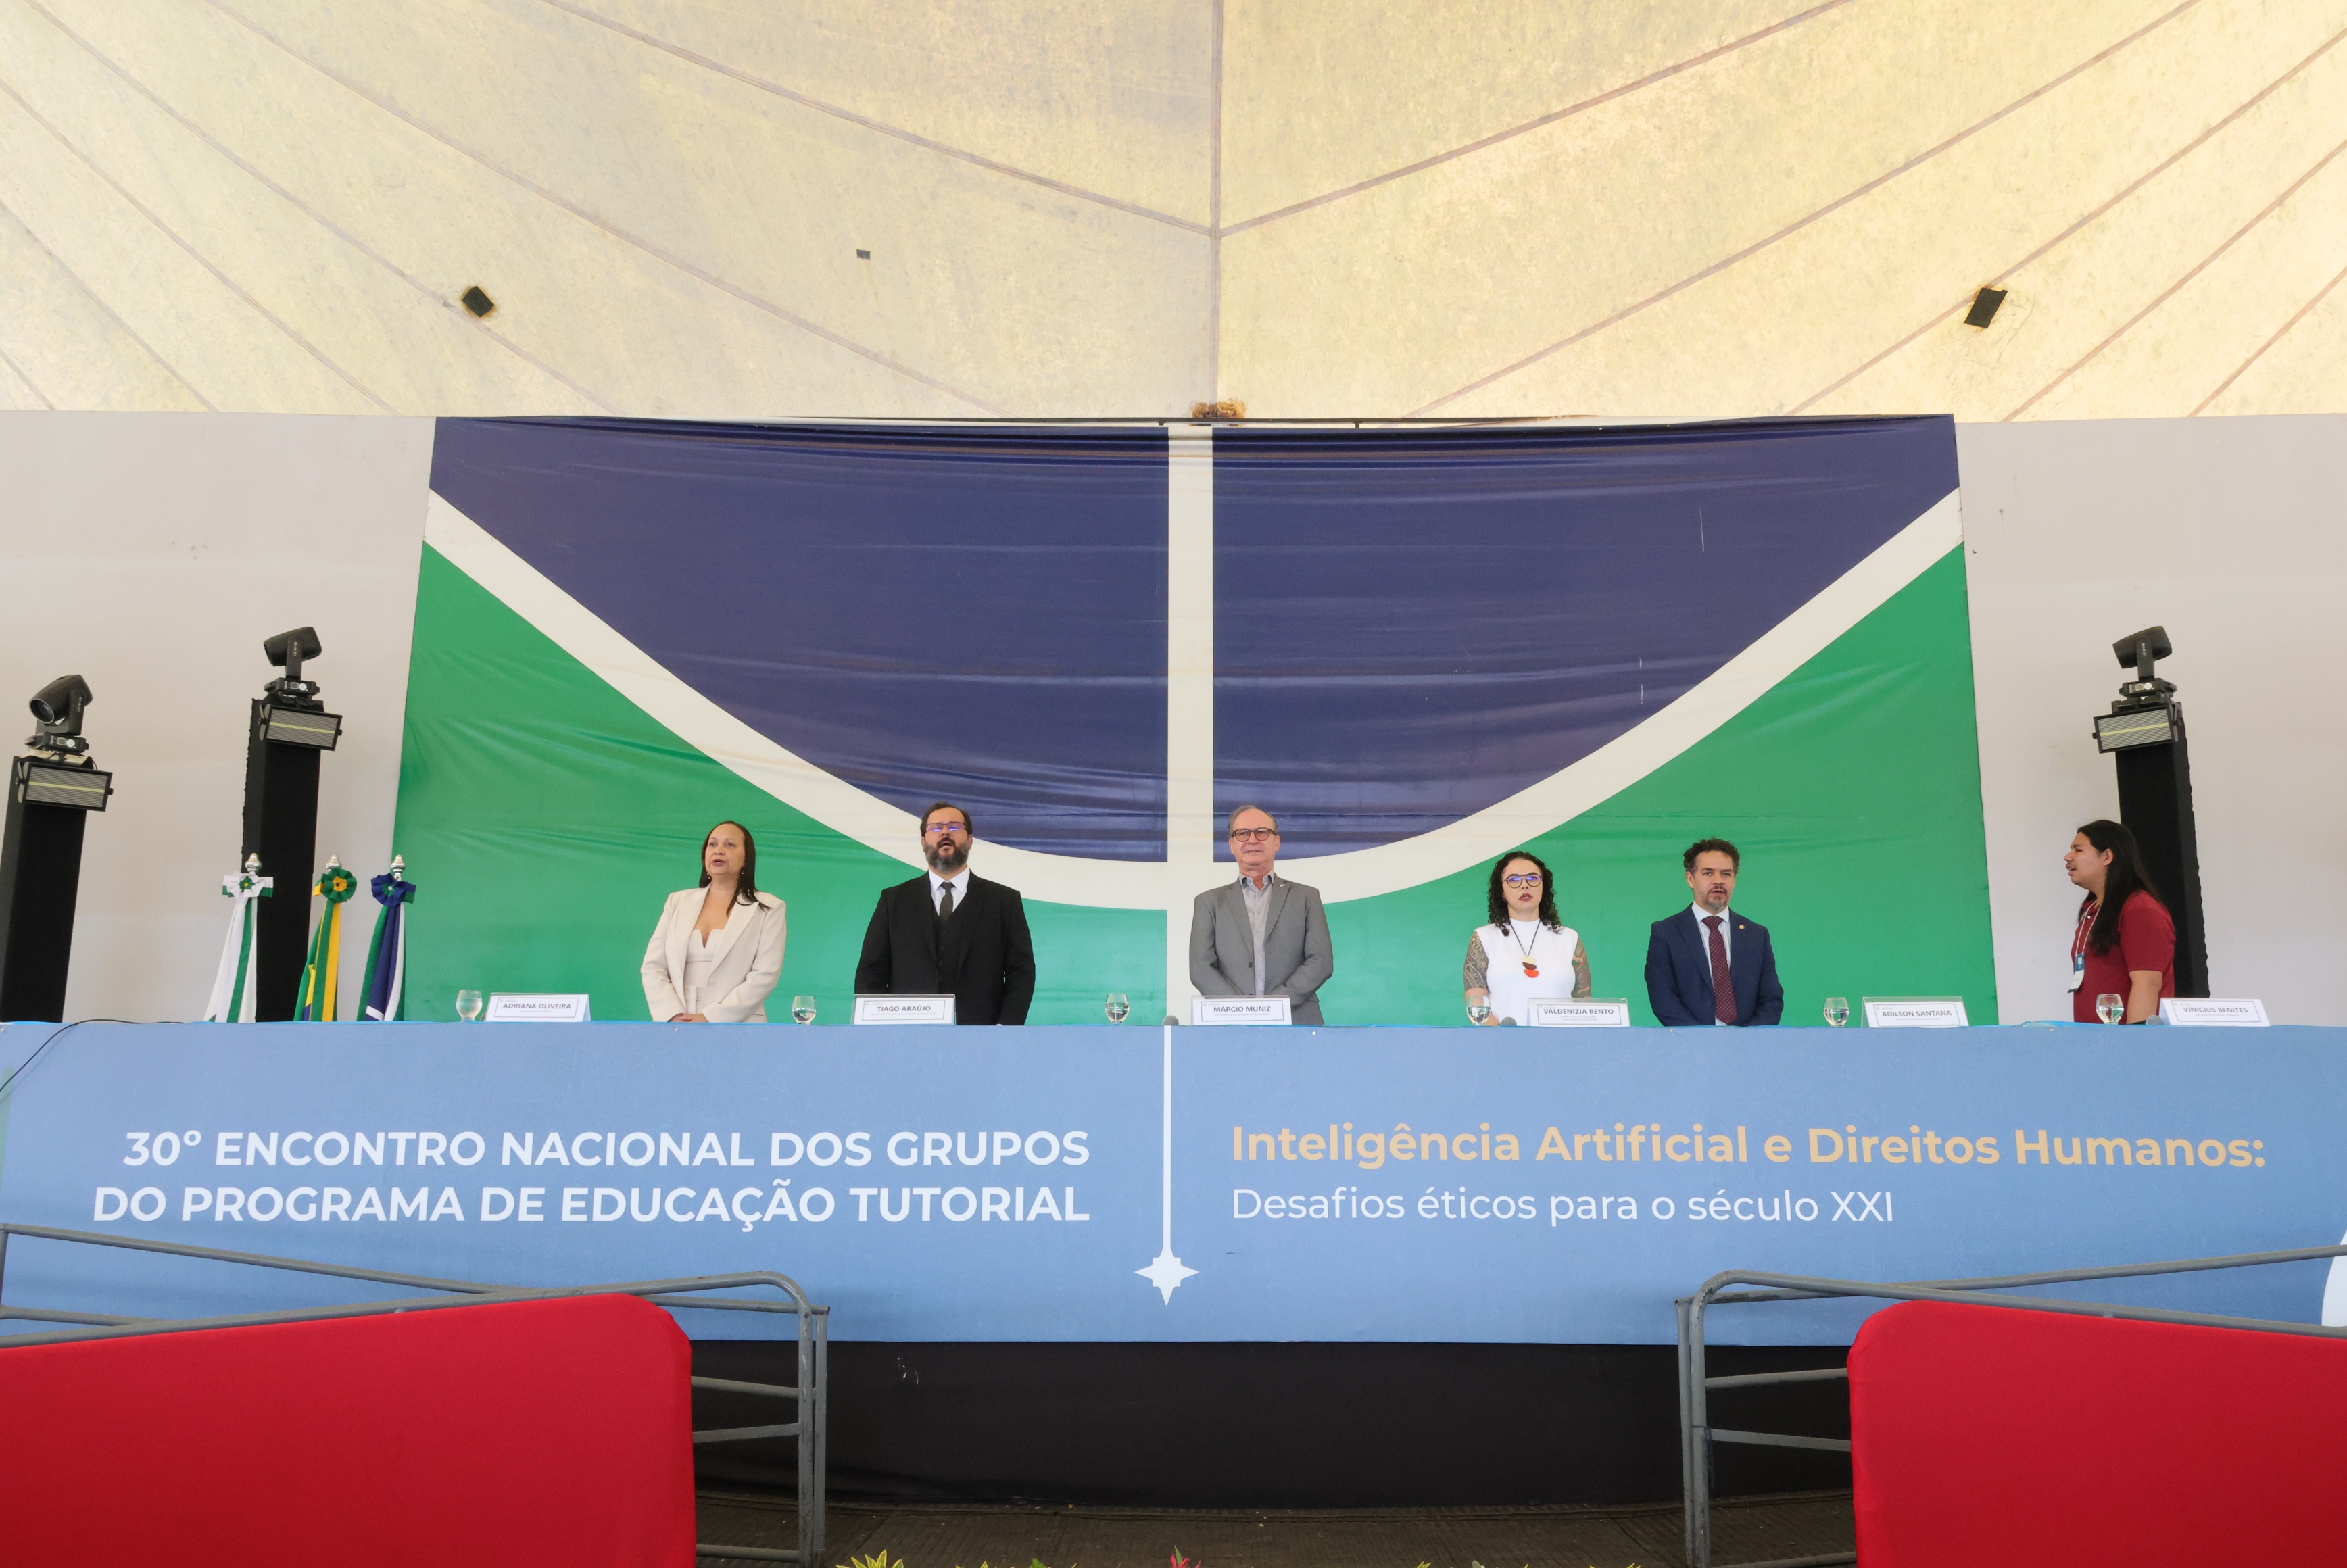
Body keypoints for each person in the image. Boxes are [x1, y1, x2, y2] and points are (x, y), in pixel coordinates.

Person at [854, 802, 1035, 1025]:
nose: (946, 832)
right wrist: (875, 1029)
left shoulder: (1004, 901)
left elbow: (1021, 973)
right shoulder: (894, 901)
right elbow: (871, 971)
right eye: (936, 828)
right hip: (906, 1033)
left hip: (982, 1034)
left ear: (970, 840)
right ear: (923, 842)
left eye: (955, 827)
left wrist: (1004, 1029)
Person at [1188, 805, 1333, 1024]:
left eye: (1262, 832)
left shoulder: (1306, 897)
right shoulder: (1209, 902)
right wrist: (1242, 1011)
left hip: (1297, 1021)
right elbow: (1201, 968)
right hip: (1230, 1024)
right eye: (1243, 833)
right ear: (1232, 845)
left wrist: (1274, 1005)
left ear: (1277, 842)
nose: (1252, 840)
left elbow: (1321, 962)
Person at [642, 820, 786, 1022]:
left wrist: (711, 1018)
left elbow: (765, 975)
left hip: (739, 1025)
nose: (719, 850)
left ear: (746, 859)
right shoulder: (677, 902)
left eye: (730, 844)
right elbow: (653, 966)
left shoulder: (768, 907)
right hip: (677, 1025)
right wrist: (672, 1015)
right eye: (712, 844)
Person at [1645, 837, 1783, 1027]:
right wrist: (1702, 1039)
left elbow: (1771, 999)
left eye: (1726, 874)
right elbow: (1663, 999)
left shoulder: (1757, 935)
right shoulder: (1666, 933)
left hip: (1748, 1042)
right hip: (1691, 1042)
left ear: (1734, 879)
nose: (1718, 881)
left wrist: (1747, 1038)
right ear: (1691, 879)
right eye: (1708, 873)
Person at [2064, 818, 2175, 1023]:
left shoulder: (2140, 909)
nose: (2068, 857)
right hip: (2094, 1038)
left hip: (2124, 1040)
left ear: (2107, 857)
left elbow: (2147, 984)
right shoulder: (2092, 909)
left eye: (2078, 850)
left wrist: (2133, 1040)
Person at [1463, 850, 1589, 1025]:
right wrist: (1506, 1036)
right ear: (1502, 892)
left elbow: (1584, 1004)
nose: (1525, 886)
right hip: (1502, 1039)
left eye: (1533, 878)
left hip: (1562, 1040)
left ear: (1543, 886)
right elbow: (1477, 1005)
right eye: (1514, 880)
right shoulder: (1484, 937)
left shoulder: (1569, 938)